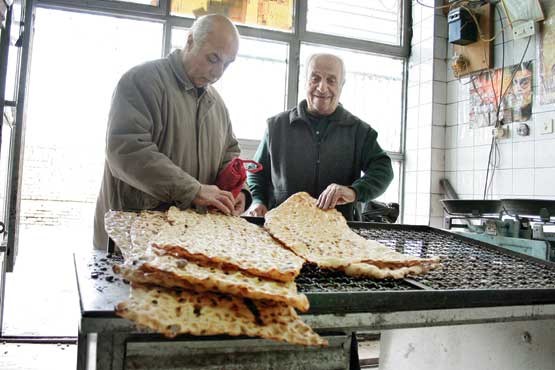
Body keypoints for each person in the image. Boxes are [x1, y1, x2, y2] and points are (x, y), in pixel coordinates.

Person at [93, 14, 249, 249]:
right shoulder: (141, 82)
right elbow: (127, 152)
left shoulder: (217, 104)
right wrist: (193, 191)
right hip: (132, 236)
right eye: (213, 58)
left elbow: (230, 155)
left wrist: (240, 193)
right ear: (189, 41)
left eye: (227, 64)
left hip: (188, 243)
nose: (218, 72)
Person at [246, 53, 393, 221]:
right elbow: (256, 171)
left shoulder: (359, 131)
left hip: (340, 232)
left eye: (331, 80)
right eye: (315, 78)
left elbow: (384, 170)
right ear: (305, 80)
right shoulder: (276, 126)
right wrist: (257, 200)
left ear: (342, 85)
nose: (322, 88)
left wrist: (354, 191)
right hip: (281, 227)